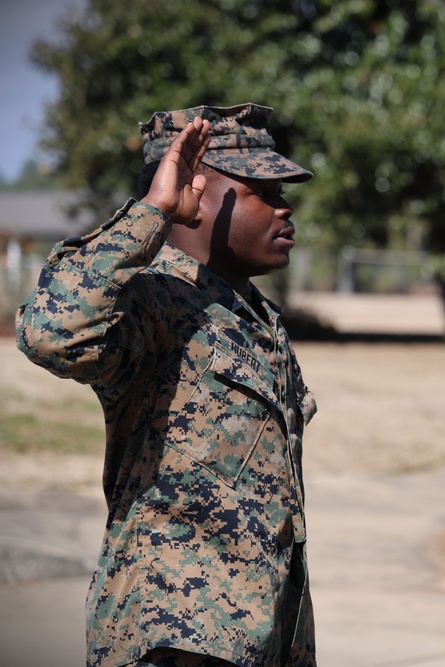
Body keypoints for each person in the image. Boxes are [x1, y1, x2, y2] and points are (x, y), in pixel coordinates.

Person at [16, 104, 318, 666]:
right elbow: (51, 331)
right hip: (171, 640)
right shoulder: (153, 302)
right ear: (194, 191)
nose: (285, 206)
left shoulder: (255, 318)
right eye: (263, 190)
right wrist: (152, 212)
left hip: (254, 639)